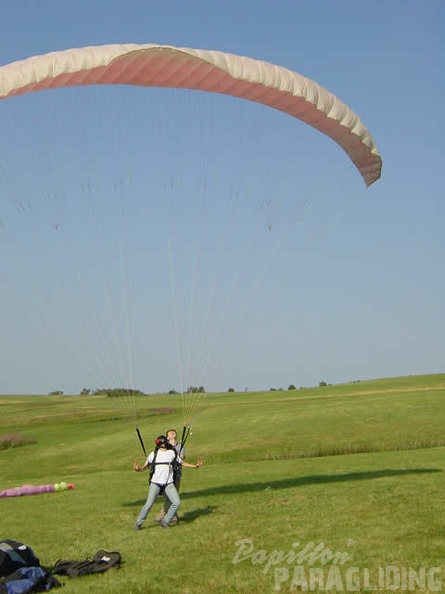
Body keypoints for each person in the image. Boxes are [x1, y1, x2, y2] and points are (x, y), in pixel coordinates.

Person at [133, 434, 202, 529]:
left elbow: (181, 463)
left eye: (164, 444)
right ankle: (138, 523)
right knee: (148, 505)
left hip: (168, 484)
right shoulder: (153, 454)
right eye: (161, 445)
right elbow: (144, 467)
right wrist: (138, 469)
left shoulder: (172, 453)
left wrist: (195, 466)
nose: (162, 446)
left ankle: (166, 521)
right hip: (155, 483)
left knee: (176, 502)